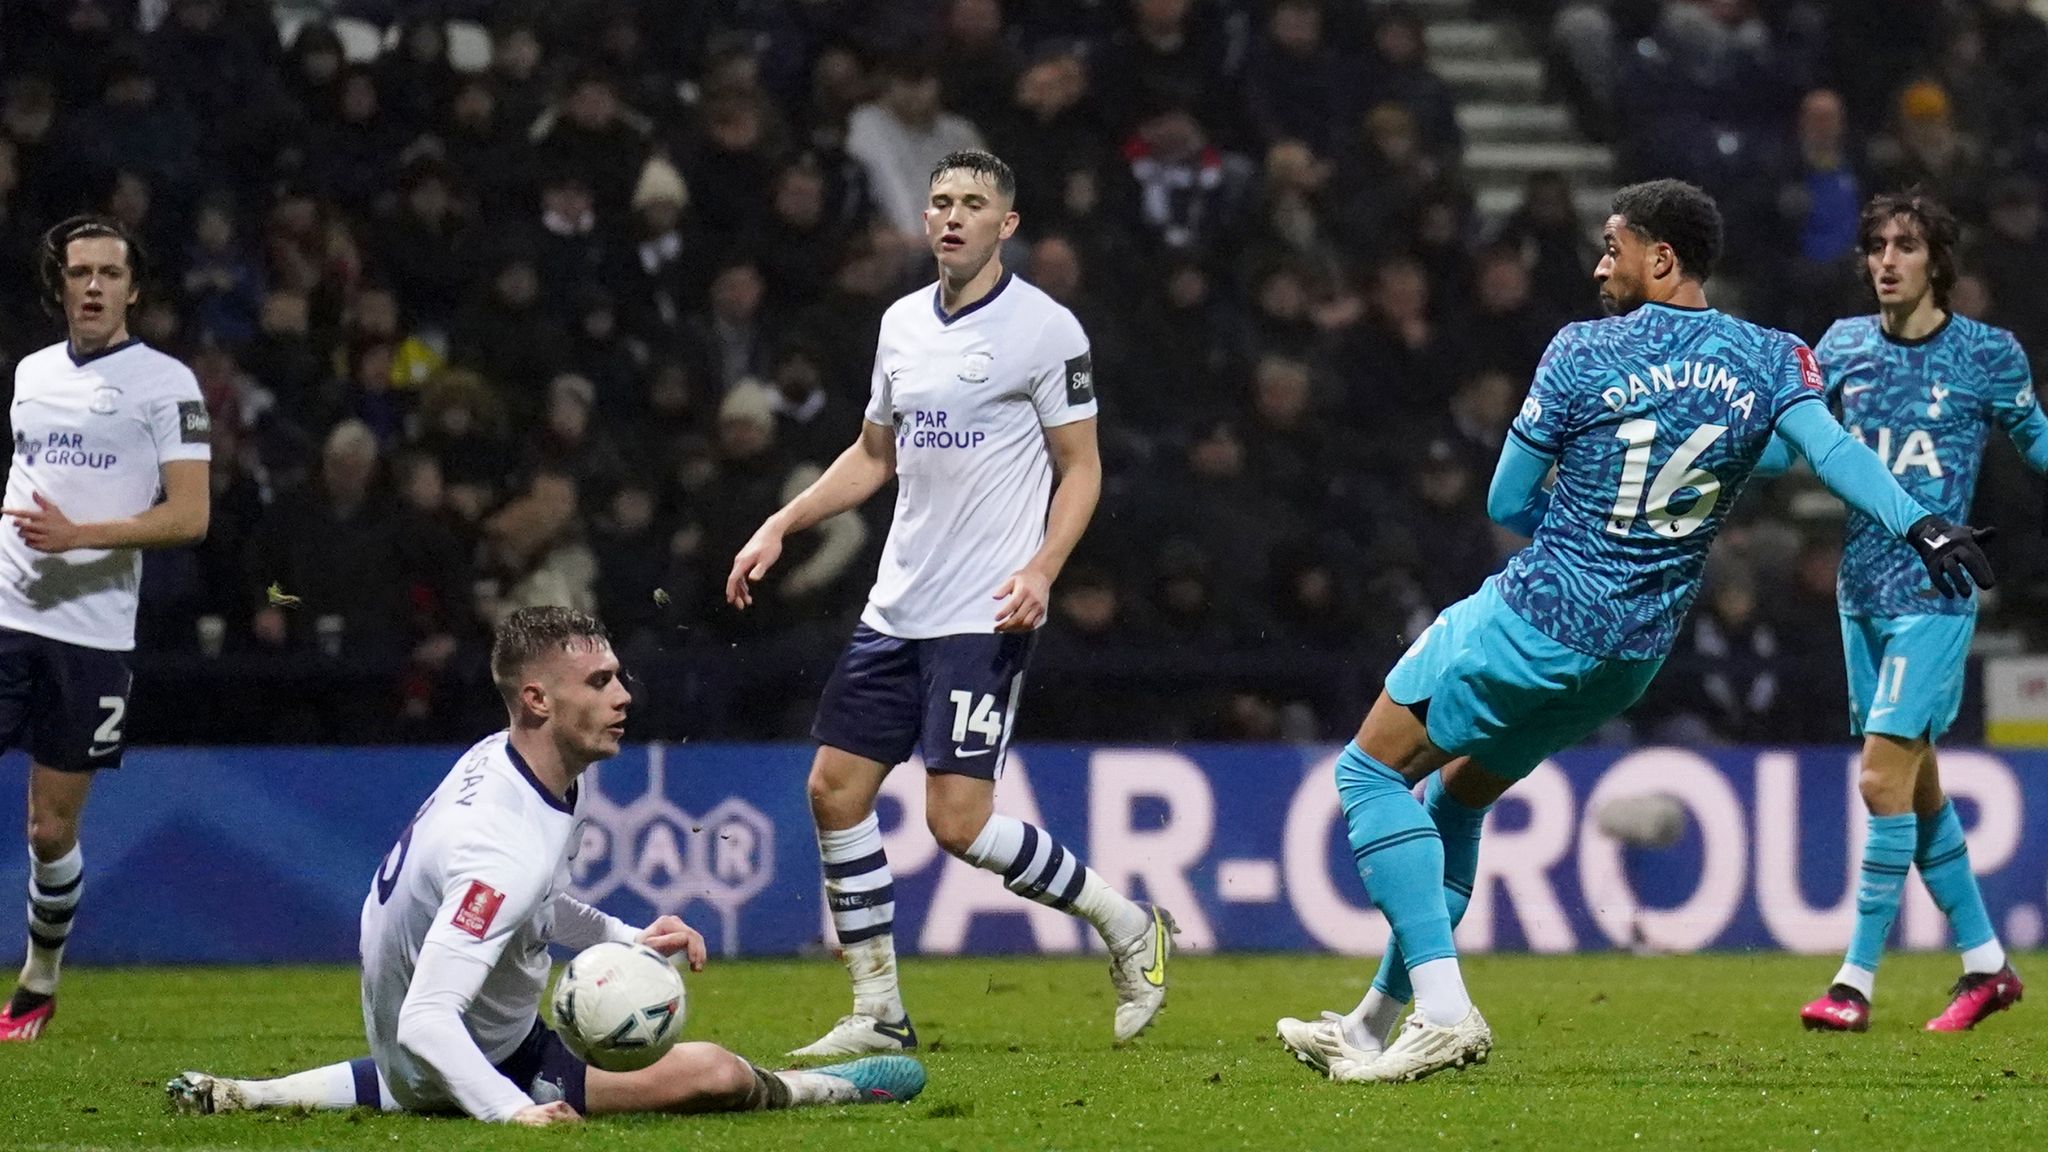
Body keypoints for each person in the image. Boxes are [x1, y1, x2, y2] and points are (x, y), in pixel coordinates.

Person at [1272, 180, 1997, 1084]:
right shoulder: (1772, 357)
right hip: (1629, 658)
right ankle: (1373, 1024)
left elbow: (1503, 500)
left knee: (1368, 771)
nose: (1598, 264)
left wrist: (1589, 536)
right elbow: (1834, 453)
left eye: (1612, 246)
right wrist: (1921, 523)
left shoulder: (1581, 350)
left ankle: (1447, 1010)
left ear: (1662, 256)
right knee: (1455, 799)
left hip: (1536, 618)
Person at [726, 150, 1173, 1058]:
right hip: (897, 608)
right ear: (925, 219)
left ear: (1007, 224)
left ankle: (1128, 923)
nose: (953, 216)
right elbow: (873, 456)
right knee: (833, 790)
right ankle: (878, 1010)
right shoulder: (899, 325)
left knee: (956, 823)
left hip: (985, 609)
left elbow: (1081, 467)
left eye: (973, 204)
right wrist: (783, 521)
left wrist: (1043, 569)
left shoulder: (1046, 330)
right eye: (940, 202)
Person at [165, 607, 924, 1124]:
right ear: (536, 699)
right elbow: (431, 1018)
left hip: (433, 1043)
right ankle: (821, 1090)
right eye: (600, 684)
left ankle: (252, 1094)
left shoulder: (516, 765)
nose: (624, 696)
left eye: (618, 676)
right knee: (716, 1073)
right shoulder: (503, 845)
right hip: (466, 1057)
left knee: (411, 1071)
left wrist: (626, 936)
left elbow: (531, 901)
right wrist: (513, 1111)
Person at [1775, 192, 2045, 1034]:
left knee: (1879, 779)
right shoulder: (1843, 347)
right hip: (1863, 595)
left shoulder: (1988, 356)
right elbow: (1793, 445)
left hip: (1938, 597)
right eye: (1877, 246)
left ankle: (1853, 984)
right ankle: (1988, 968)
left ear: (1938, 262)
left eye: (1907, 246)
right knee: (1918, 793)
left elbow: (2034, 440)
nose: (1888, 259)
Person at [0, 217, 213, 1042]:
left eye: (108, 274)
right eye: (78, 272)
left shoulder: (168, 384)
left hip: (90, 636)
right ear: (59, 284)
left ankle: (39, 983)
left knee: (50, 830)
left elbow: (190, 516)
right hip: (6, 616)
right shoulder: (30, 373)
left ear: (134, 288)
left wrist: (81, 537)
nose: (92, 286)